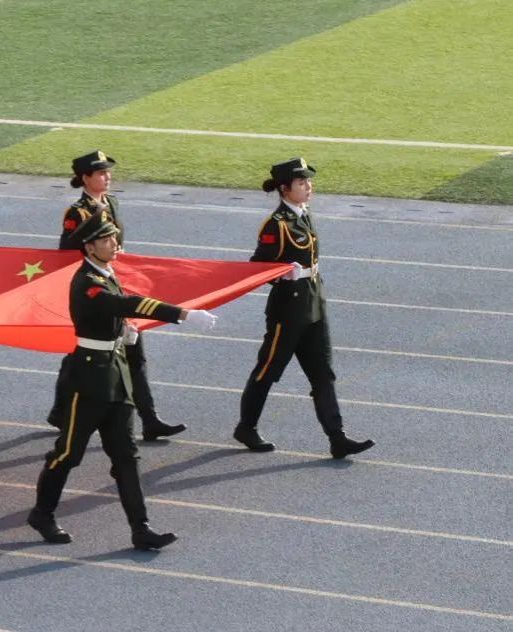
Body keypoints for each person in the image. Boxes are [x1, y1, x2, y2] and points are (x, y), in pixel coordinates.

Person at [28, 210, 218, 550]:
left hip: (116, 377)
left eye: (114, 237)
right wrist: (182, 314)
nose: (114, 243)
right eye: (106, 239)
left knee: (127, 457)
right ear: (89, 247)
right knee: (68, 454)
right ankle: (42, 514)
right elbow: (125, 304)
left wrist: (122, 333)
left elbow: (113, 314)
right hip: (88, 381)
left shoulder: (106, 273)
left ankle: (140, 528)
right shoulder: (87, 282)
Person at [234, 158, 375, 459]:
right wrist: (282, 275)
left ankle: (337, 437)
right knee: (267, 371)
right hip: (288, 312)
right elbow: (257, 267)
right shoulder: (276, 224)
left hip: (313, 306)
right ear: (285, 189)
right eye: (301, 183)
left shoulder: (304, 214)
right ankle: (246, 427)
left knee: (323, 374)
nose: (308, 187)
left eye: (308, 181)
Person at [48, 150, 186, 442]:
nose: (107, 177)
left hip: (117, 283)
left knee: (135, 354)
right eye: (100, 173)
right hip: (93, 292)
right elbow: (65, 254)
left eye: (107, 172)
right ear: (85, 178)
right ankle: (60, 412)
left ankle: (150, 419)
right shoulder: (77, 213)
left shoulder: (112, 202)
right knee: (77, 355)